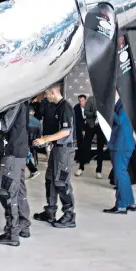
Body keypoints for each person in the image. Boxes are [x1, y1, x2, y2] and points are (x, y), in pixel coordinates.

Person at [33, 83, 77, 228]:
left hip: (65, 150)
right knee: (50, 179)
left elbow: (65, 132)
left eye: (46, 94)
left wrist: (45, 139)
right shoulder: (53, 106)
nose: (45, 97)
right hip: (56, 148)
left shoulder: (66, 107)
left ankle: (69, 215)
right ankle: (50, 211)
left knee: (61, 182)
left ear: (53, 93)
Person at [0, 101, 32, 246]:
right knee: (20, 191)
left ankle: (12, 233)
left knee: (8, 192)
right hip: (20, 152)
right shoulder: (24, 102)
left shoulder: (15, 103)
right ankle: (23, 226)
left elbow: (4, 124)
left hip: (12, 153)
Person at [103, 95, 136, 214]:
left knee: (119, 175)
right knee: (123, 174)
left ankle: (121, 205)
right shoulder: (121, 104)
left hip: (121, 144)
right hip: (121, 143)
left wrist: (107, 109)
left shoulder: (124, 104)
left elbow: (119, 121)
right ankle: (130, 202)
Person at [76, 95, 106, 178]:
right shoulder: (90, 99)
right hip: (90, 125)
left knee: (100, 148)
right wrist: (94, 114)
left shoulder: (105, 99)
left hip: (101, 126)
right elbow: (85, 112)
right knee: (85, 147)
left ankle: (99, 171)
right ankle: (81, 168)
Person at [74, 94, 86, 161]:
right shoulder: (76, 108)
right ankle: (80, 158)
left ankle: (86, 158)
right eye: (80, 101)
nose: (81, 102)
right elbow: (77, 120)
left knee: (86, 144)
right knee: (80, 143)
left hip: (88, 127)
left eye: (83, 100)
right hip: (79, 128)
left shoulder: (89, 106)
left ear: (85, 100)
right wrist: (82, 130)